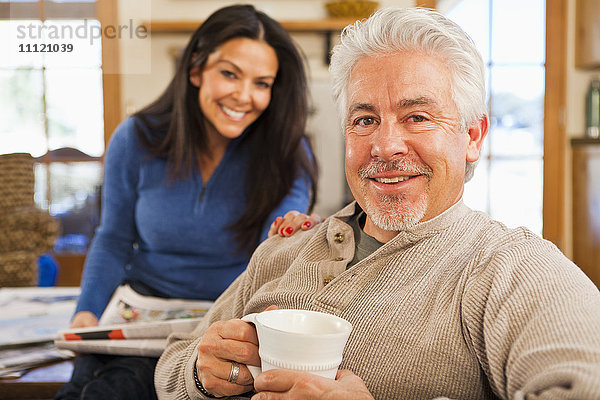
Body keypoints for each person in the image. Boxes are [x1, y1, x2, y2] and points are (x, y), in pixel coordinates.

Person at [154, 7, 600, 400]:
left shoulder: (511, 268)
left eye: (417, 117)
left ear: (473, 136)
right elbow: (171, 366)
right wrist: (200, 372)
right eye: (365, 119)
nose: (385, 145)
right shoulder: (283, 249)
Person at [54, 5, 320, 400]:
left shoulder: (288, 152)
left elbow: (277, 250)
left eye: (262, 83)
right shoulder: (135, 137)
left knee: (117, 388)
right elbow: (112, 238)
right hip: (141, 306)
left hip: (226, 316)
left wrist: (295, 234)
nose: (244, 95)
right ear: (196, 69)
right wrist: (86, 313)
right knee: (84, 384)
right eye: (229, 74)